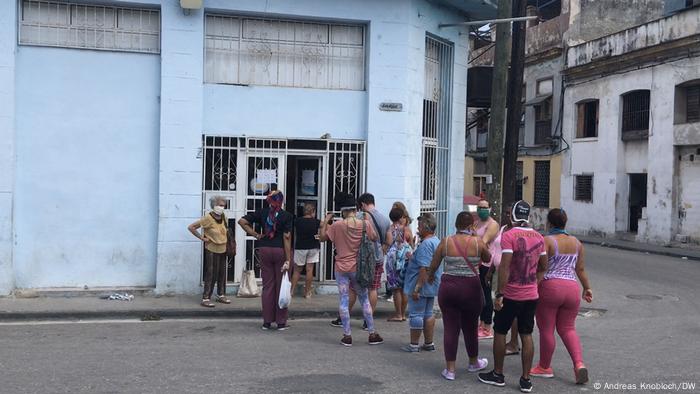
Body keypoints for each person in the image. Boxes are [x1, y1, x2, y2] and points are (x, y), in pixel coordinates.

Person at [479, 200, 548, 393]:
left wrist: (500, 293)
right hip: (531, 295)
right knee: (526, 334)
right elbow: (544, 267)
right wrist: (534, 284)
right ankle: (526, 379)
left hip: (511, 294)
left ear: (512, 216)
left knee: (500, 331)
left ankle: (498, 374)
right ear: (528, 216)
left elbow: (505, 267)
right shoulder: (539, 237)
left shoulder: (509, 235)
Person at [530, 208, 592, 385]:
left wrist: (532, 285)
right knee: (568, 328)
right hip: (572, 288)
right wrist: (587, 288)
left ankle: (544, 367)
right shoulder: (577, 243)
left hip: (550, 287)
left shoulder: (546, 241)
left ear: (549, 223)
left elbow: (539, 266)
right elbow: (580, 269)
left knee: (547, 329)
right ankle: (579, 364)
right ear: (565, 222)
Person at [428, 211, 490, 381]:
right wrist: (477, 238)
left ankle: (450, 370)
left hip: (449, 289)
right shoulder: (477, 242)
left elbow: (434, 264)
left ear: (456, 225)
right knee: (470, 327)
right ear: (471, 226)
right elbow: (488, 257)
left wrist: (430, 276)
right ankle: (473, 362)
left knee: (450, 328)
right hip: (471, 288)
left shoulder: (446, 242)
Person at [319, 192, 384, 347]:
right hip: (358, 268)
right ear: (355, 209)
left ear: (342, 210)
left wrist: (325, 222)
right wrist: (366, 223)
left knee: (343, 299)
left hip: (341, 268)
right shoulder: (364, 224)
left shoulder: (336, 226)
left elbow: (322, 238)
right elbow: (375, 237)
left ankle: (347, 335)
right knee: (364, 299)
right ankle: (372, 333)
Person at [330, 193, 390, 329]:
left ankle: (344, 321)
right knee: (373, 288)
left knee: (352, 290)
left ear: (362, 205)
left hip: (359, 261)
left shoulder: (358, 218)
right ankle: (367, 323)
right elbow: (387, 239)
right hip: (376, 258)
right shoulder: (385, 220)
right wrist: (381, 250)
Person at [238, 191, 293, 331]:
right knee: (281, 286)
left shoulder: (262, 213)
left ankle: (267, 322)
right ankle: (281, 322)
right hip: (280, 251)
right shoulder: (286, 216)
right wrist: (288, 259)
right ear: (281, 201)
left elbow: (242, 221)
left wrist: (256, 235)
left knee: (268, 286)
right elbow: (287, 237)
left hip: (264, 250)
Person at [401, 213, 441, 353]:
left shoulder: (426, 244)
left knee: (416, 314)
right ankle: (429, 343)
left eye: (419, 226)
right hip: (432, 284)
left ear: (425, 227)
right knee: (428, 313)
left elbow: (424, 269)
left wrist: (417, 289)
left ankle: (414, 345)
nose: (417, 228)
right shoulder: (436, 241)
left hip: (421, 285)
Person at [187, 196, 232, 308]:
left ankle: (221, 294)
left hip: (223, 247)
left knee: (222, 272)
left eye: (223, 205)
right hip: (211, 248)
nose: (222, 207)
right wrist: (202, 238)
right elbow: (191, 227)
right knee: (211, 273)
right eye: (220, 205)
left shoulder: (224, 217)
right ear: (214, 205)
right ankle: (206, 297)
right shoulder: (208, 218)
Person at [475, 199, 500, 340]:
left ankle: (487, 327)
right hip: (477, 262)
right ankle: (481, 323)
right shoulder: (477, 222)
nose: (482, 210)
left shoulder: (493, 225)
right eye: (480, 207)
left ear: (489, 208)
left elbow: (482, 242)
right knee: (479, 294)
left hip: (487, 263)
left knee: (486, 294)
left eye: (485, 207)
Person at [385, 207, 413, 322]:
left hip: (394, 260)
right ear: (401, 217)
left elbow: (388, 243)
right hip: (406, 258)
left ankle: (398, 314)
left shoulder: (390, 230)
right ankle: (404, 314)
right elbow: (411, 242)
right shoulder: (406, 229)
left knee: (396, 289)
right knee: (404, 288)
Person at [291, 203, 320, 299]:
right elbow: (325, 225)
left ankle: (291, 291)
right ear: (313, 211)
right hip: (313, 247)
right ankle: (307, 292)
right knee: (309, 270)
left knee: (297, 271)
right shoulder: (316, 222)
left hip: (300, 248)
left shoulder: (297, 221)